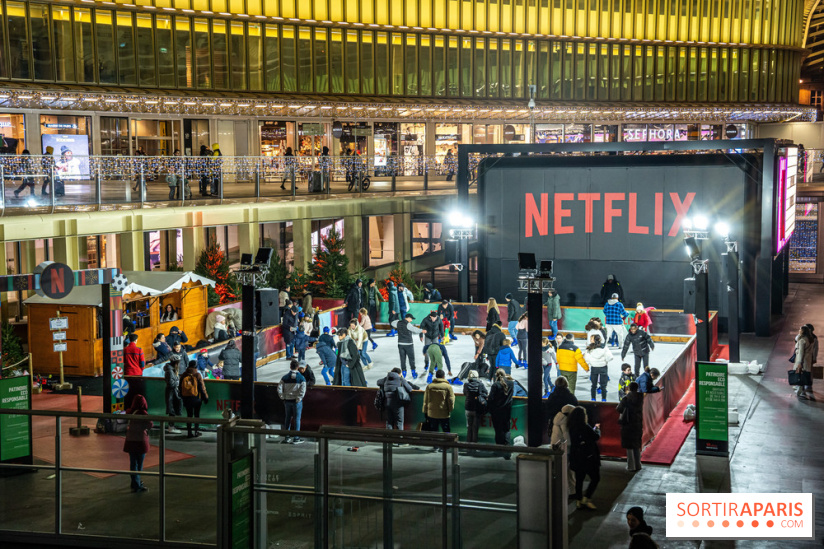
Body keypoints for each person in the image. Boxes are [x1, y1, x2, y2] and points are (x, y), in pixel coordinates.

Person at [568, 406, 601, 510]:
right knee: (595, 478)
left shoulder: (571, 427)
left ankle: (579, 500)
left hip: (576, 458)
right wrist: (598, 429)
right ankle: (586, 498)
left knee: (579, 479)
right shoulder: (585, 427)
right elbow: (596, 437)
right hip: (588, 457)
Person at [123, 394, 153, 492]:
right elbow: (150, 424)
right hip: (140, 441)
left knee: (133, 463)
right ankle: (137, 484)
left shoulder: (130, 412)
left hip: (130, 440)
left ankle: (135, 482)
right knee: (139, 464)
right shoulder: (143, 414)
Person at [617, 382, 645, 472]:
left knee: (629, 446)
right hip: (637, 423)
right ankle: (638, 464)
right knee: (636, 444)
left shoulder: (626, 398)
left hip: (628, 424)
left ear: (629, 388)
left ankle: (631, 466)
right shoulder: (640, 397)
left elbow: (619, 409)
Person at [278, 359, 307, 444]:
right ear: (298, 367)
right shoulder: (301, 378)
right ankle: (296, 438)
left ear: (290, 366)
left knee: (287, 418)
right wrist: (299, 398)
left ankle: (287, 437)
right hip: (296, 401)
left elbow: (279, 388)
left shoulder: (284, 377)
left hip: (287, 400)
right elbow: (303, 390)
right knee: (297, 419)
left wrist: (282, 397)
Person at [487, 369, 515, 458]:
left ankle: (499, 450)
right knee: (506, 430)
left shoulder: (495, 385)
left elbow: (491, 399)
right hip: (507, 411)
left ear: (496, 375)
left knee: (498, 431)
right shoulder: (511, 383)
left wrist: (489, 408)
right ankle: (507, 450)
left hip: (497, 412)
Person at [180, 360, 208, 438]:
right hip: (196, 398)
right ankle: (196, 431)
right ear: (196, 366)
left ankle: (189, 432)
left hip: (186, 398)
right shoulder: (197, 375)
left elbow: (180, 387)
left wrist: (182, 397)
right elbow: (202, 388)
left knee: (189, 415)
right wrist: (205, 397)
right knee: (196, 415)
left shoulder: (184, 374)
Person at [390, 313, 424, 378]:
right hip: (409, 344)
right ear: (407, 318)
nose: (411, 320)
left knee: (402, 359)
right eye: (411, 319)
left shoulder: (398, 323)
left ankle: (404, 373)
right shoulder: (408, 324)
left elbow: (392, 323)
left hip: (400, 344)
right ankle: (413, 373)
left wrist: (398, 320)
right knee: (411, 359)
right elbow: (415, 329)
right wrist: (422, 330)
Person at [422, 369, 455, 435]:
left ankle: (435, 445)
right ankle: (447, 444)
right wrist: (450, 409)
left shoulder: (429, 386)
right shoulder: (448, 387)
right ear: (443, 376)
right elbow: (451, 400)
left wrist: (425, 411)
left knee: (434, 432)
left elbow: (425, 400)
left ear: (436, 376)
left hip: (432, 413)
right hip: (444, 413)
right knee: (446, 430)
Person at [583, 334, 612, 402]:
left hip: (594, 367)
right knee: (603, 386)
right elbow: (610, 357)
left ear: (594, 340)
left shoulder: (589, 348)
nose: (590, 340)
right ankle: (604, 399)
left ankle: (593, 399)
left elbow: (586, 359)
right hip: (603, 367)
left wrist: (591, 362)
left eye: (591, 339)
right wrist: (605, 361)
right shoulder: (604, 347)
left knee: (593, 385)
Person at [463, 370, 488, 443]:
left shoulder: (466, 384)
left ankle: (468, 443)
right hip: (477, 408)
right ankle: (474, 444)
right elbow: (486, 392)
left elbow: (465, 393)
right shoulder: (480, 384)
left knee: (469, 427)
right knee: (475, 428)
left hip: (468, 407)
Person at [163, 356, 183, 434]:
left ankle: (172, 426)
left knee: (173, 408)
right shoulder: (170, 371)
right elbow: (171, 383)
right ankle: (171, 427)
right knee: (172, 409)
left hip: (172, 392)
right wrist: (178, 382)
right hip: (171, 392)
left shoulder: (171, 370)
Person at [794, 324, 814, 399]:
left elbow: (801, 352)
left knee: (800, 375)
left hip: (802, 360)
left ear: (803, 331)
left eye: (800, 329)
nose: (799, 330)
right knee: (805, 375)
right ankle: (802, 391)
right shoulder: (810, 339)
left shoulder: (802, 340)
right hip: (807, 360)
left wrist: (799, 362)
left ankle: (801, 391)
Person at [804, 323, 818, 397]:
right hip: (810, 357)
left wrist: (814, 358)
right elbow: (816, 349)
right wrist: (814, 358)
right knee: (809, 371)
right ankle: (808, 385)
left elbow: (815, 349)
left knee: (807, 371)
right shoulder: (814, 337)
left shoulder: (804, 338)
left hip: (807, 357)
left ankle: (806, 384)